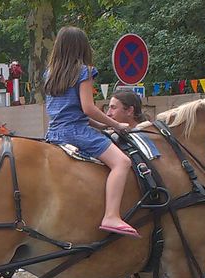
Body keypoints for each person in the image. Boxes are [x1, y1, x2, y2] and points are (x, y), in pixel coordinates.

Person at [44, 26, 139, 238]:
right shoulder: (84, 71)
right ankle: (111, 215)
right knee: (122, 163)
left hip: (54, 132)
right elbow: (88, 108)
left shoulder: (49, 74)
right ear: (82, 47)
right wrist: (115, 125)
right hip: (76, 132)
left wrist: (102, 125)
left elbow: (69, 112)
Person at [106, 91, 166, 278]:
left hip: (153, 227)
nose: (109, 112)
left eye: (113, 107)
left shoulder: (143, 137)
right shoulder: (118, 136)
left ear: (130, 111)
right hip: (133, 226)